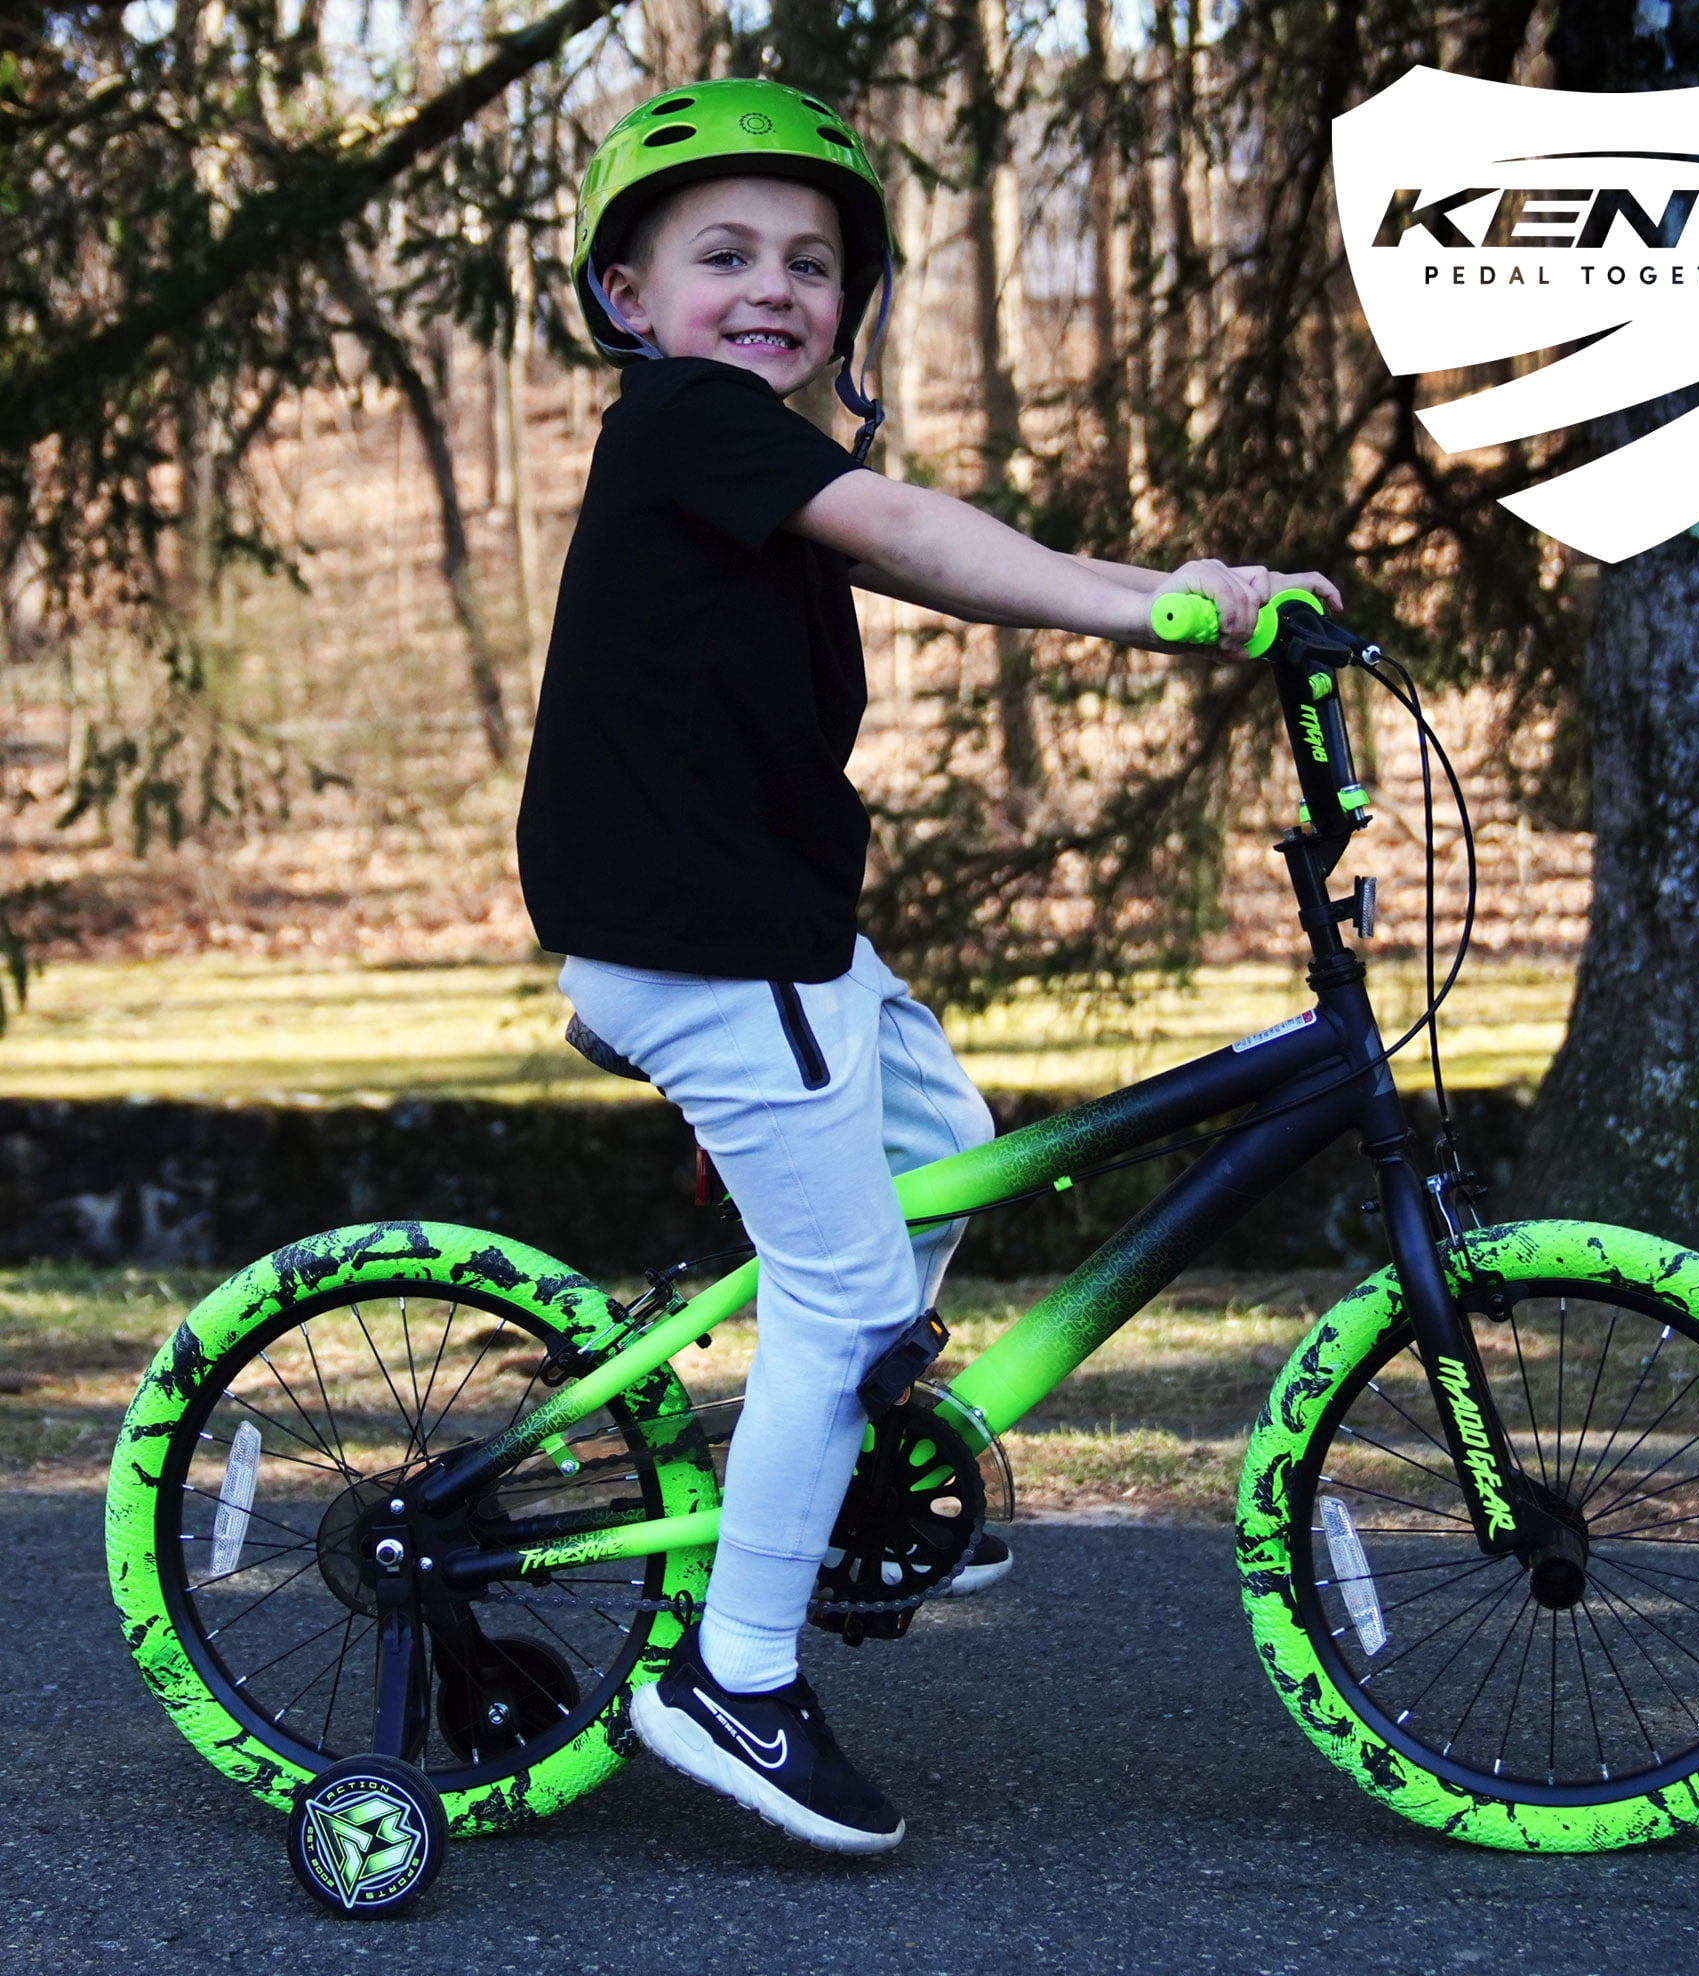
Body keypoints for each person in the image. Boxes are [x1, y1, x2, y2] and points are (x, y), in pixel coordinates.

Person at [516, 76, 1344, 1855]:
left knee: (940, 1141)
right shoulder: (686, 423)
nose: (774, 288)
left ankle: (843, 1464)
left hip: (776, 932)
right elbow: (915, 535)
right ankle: (732, 1676)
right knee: (838, 1290)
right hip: (708, 941)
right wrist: (1149, 606)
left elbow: (928, 553)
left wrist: (1193, 587)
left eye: (812, 264)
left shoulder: (747, 468)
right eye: (725, 254)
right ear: (628, 298)